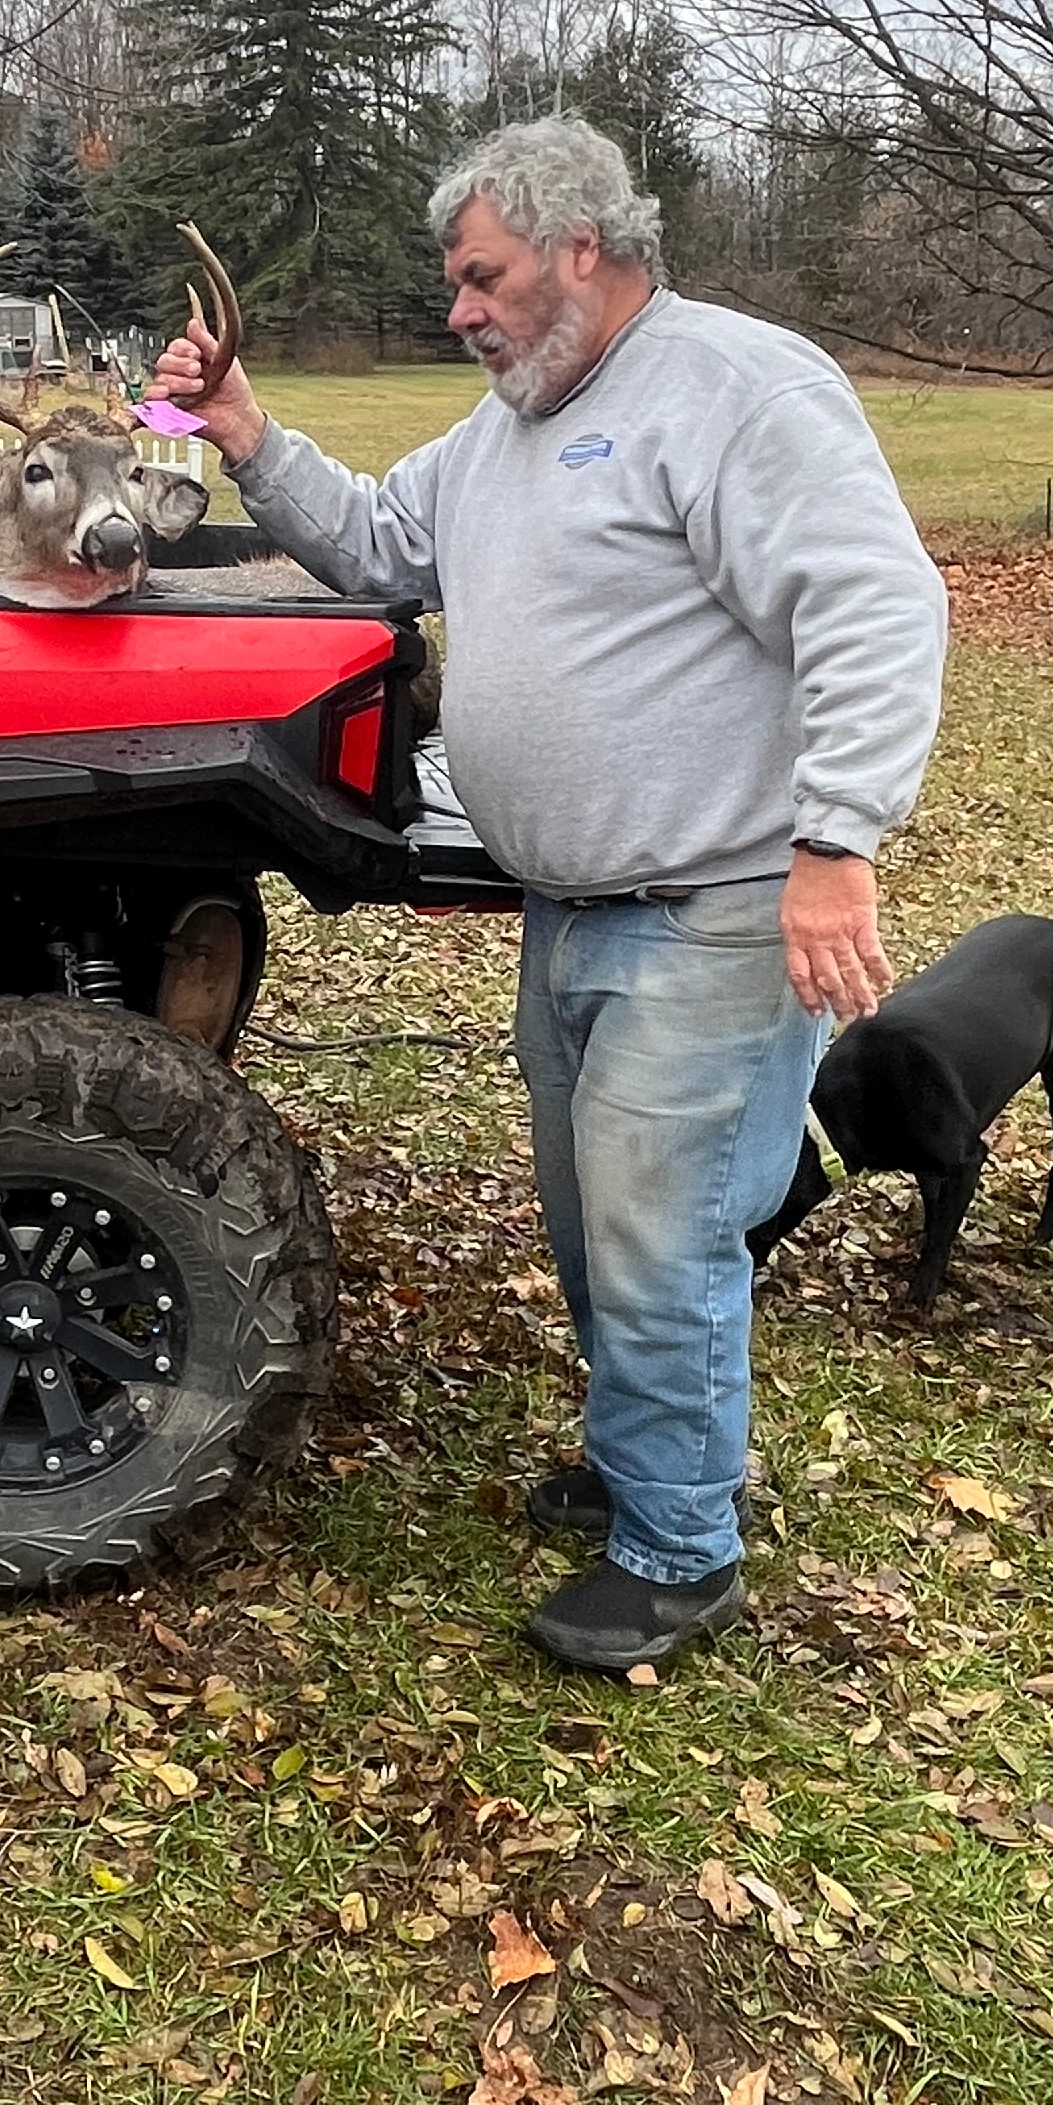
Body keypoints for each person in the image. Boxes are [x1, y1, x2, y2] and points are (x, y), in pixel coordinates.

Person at [151, 117, 946, 1676]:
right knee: (596, 1235)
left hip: (713, 908)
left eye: (482, 277)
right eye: (460, 283)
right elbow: (384, 545)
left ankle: (678, 1551)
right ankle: (653, 1461)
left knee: (662, 1240)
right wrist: (246, 432)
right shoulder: (510, 424)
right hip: (574, 911)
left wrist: (837, 842)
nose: (463, 309)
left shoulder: (738, 391)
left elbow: (874, 600)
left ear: (584, 247)